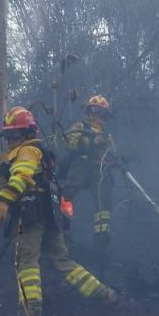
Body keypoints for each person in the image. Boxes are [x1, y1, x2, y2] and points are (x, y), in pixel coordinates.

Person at [0, 106, 117, 316]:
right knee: (62, 260)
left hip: (30, 214)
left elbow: (22, 176)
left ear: (28, 133)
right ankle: (102, 293)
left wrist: (3, 202)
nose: (11, 139)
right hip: (48, 213)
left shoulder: (27, 152)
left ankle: (30, 314)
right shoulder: (34, 149)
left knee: (26, 261)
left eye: (15, 134)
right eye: (8, 134)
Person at [62, 95, 119, 256]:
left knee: (104, 198)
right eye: (94, 110)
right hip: (82, 164)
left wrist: (116, 159)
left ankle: (102, 236)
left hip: (100, 169)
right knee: (69, 192)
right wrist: (92, 142)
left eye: (101, 112)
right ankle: (62, 229)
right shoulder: (80, 126)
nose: (97, 115)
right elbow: (70, 144)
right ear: (88, 111)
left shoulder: (106, 134)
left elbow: (112, 152)